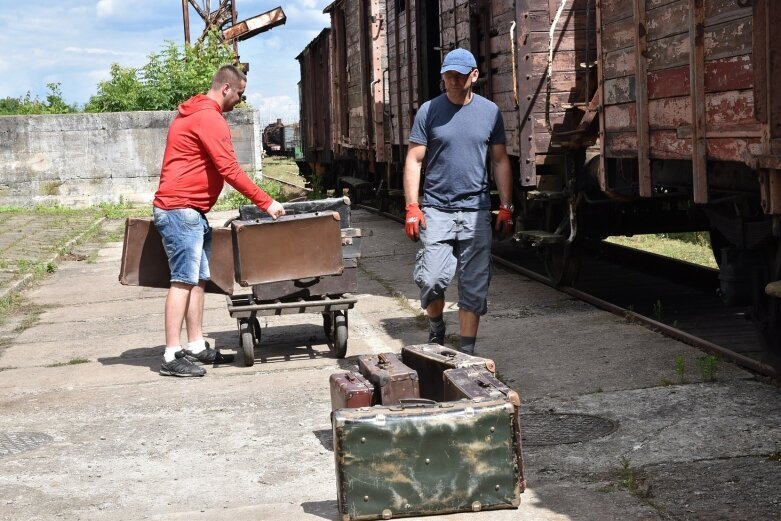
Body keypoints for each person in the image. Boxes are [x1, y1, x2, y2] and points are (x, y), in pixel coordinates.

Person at [153, 64, 285, 377]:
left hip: (191, 211)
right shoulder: (208, 117)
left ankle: (196, 345)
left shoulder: (196, 112)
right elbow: (229, 169)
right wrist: (266, 201)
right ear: (225, 88)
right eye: (240, 93)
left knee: (198, 280)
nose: (241, 99)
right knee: (183, 280)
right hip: (180, 210)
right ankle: (171, 354)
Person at [403, 48, 513, 355]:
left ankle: (466, 352)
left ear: (473, 76)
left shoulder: (490, 112)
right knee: (432, 278)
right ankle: (437, 326)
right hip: (437, 209)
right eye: (448, 75)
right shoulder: (429, 111)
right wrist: (413, 206)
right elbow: (414, 158)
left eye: (459, 76)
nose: (452, 81)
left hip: (476, 210)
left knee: (474, 285)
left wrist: (506, 205)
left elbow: (501, 160)